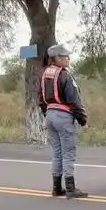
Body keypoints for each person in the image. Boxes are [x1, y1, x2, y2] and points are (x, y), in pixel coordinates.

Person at [38, 44, 88, 199]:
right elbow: (74, 100)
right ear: (58, 58)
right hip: (63, 116)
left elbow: (41, 99)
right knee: (68, 153)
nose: (69, 59)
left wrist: (48, 113)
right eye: (66, 56)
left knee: (57, 153)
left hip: (50, 115)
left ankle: (56, 187)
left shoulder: (45, 74)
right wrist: (82, 119)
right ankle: (71, 188)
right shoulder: (65, 75)